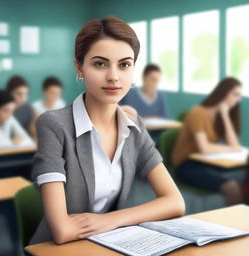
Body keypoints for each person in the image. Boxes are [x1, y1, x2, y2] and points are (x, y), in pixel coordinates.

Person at [29, 15, 185, 245]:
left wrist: (112, 220)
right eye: (100, 64)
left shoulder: (133, 126)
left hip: (107, 242)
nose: (113, 77)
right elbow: (62, 231)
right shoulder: (54, 124)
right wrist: (114, 222)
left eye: (124, 64)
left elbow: (175, 202)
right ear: (79, 66)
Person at [172, 77, 246, 206]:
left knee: (244, 176)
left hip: (207, 162)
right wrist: (231, 149)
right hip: (187, 165)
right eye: (235, 94)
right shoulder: (198, 112)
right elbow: (204, 148)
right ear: (223, 92)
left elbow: (235, 145)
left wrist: (225, 114)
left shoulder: (219, 116)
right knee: (232, 187)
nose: (238, 99)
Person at [6, 75, 37, 140]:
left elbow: (34, 134)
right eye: (18, 94)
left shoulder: (28, 110)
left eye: (26, 94)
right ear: (9, 93)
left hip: (22, 147)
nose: (23, 98)